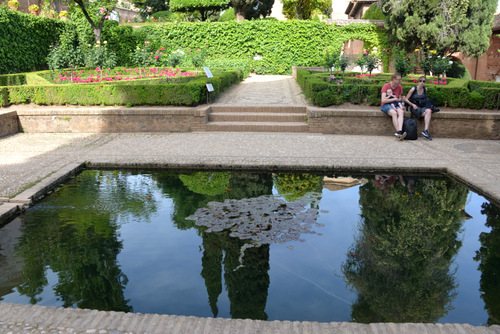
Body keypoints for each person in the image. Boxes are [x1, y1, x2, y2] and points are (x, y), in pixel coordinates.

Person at [405, 76, 434, 140]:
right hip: (414, 107)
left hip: (422, 106)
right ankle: (426, 133)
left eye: (423, 81)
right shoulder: (413, 89)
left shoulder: (425, 89)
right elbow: (406, 99)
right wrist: (412, 104)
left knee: (429, 111)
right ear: (418, 81)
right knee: (427, 113)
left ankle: (426, 131)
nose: (421, 82)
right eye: (420, 81)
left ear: (425, 82)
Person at [381, 73, 406, 140]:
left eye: (400, 79)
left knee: (401, 112)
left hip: (395, 104)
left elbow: (399, 98)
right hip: (386, 105)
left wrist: (401, 99)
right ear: (394, 79)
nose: (400, 81)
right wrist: (394, 99)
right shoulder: (386, 86)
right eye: (399, 79)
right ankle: (399, 132)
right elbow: (383, 100)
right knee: (394, 113)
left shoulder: (399, 87)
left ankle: (400, 131)